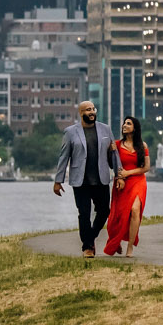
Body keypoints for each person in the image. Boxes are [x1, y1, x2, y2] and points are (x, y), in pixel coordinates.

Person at [50, 100, 120, 256]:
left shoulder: (106, 129)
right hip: (80, 180)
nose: (91, 112)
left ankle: (90, 237)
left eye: (93, 109)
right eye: (87, 110)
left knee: (103, 211)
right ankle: (87, 247)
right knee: (84, 212)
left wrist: (119, 174)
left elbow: (114, 154)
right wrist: (58, 181)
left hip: (101, 179)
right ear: (81, 113)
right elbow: (64, 156)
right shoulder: (70, 132)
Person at [101, 115, 150, 258]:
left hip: (138, 181)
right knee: (118, 217)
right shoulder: (116, 144)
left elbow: (146, 167)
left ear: (135, 128)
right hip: (122, 182)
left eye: (128, 123)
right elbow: (113, 164)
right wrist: (111, 152)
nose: (124, 125)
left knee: (135, 210)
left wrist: (129, 172)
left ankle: (130, 247)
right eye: (124, 123)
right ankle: (116, 242)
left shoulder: (142, 146)